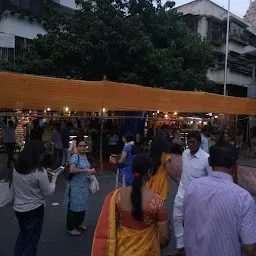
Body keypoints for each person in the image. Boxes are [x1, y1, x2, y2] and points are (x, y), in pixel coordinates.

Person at [183, 141, 256, 256]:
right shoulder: (243, 198)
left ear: (209, 161)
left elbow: (187, 222)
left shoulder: (193, 186)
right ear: (235, 165)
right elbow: (250, 248)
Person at [92, 154, 170, 255]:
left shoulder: (117, 196)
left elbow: (110, 226)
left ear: (133, 171)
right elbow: (164, 237)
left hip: (123, 250)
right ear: (149, 172)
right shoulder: (157, 201)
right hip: (148, 251)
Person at [13, 140, 59, 256]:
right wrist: (53, 179)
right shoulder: (40, 171)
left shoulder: (16, 168)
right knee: (32, 240)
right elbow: (48, 192)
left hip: (19, 208)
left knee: (22, 235)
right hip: (34, 209)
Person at [170, 131, 212, 256]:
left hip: (198, 196)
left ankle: (197, 248)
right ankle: (180, 246)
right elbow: (185, 172)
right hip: (182, 193)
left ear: (199, 142)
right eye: (188, 142)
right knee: (177, 218)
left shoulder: (206, 158)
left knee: (196, 223)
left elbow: (211, 178)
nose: (190, 144)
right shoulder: (184, 154)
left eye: (193, 142)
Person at [64, 137, 96, 236]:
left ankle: (79, 223)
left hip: (84, 184)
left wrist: (90, 172)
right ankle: (70, 227)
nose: (82, 148)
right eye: (80, 146)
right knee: (74, 206)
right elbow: (72, 170)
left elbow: (86, 167)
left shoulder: (85, 156)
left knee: (82, 205)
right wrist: (86, 171)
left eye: (84, 146)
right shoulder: (75, 157)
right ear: (76, 147)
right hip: (75, 185)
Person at [147, 132, 179, 200]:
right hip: (161, 182)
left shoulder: (150, 155)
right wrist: (178, 181)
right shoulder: (165, 156)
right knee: (159, 204)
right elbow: (170, 172)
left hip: (150, 180)